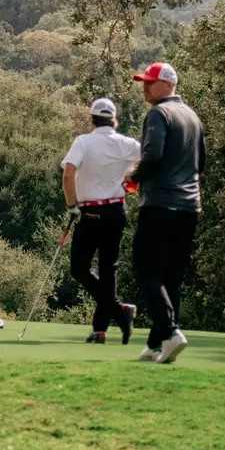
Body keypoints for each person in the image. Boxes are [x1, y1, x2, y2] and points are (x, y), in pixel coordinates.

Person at [128, 62, 205, 365]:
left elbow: (153, 155)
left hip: (160, 203)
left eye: (149, 82)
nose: (144, 87)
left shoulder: (159, 114)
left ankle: (171, 332)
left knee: (145, 268)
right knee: (171, 274)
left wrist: (133, 177)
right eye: (144, 82)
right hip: (189, 207)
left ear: (167, 85)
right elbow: (201, 165)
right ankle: (156, 343)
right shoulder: (193, 117)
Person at [60, 98, 140, 344]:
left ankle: (116, 314)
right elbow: (150, 158)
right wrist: (130, 177)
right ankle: (102, 328)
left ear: (92, 119)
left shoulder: (83, 141)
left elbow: (68, 174)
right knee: (108, 269)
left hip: (91, 212)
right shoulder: (127, 143)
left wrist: (72, 206)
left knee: (79, 268)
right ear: (114, 119)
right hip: (116, 211)